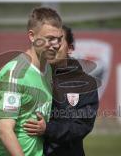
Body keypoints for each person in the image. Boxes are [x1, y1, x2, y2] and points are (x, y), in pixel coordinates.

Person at [0, 7, 63, 156]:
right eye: (50, 38)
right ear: (32, 36)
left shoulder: (48, 70)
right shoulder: (15, 74)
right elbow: (5, 131)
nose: (56, 44)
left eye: (59, 39)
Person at [23, 25, 99, 156]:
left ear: (70, 48)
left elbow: (81, 126)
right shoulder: (29, 75)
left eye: (58, 41)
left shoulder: (86, 83)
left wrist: (48, 129)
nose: (52, 46)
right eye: (49, 41)